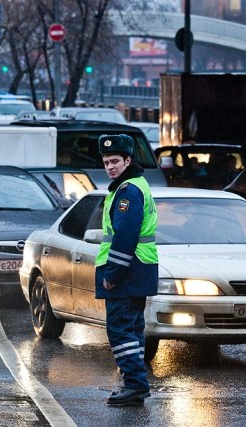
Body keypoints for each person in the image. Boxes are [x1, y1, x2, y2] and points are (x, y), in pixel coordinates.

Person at [95, 134, 159, 406]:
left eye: (115, 161)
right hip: (138, 270)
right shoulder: (134, 185)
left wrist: (112, 274)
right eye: (106, 162)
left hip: (128, 272)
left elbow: (124, 236)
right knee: (133, 330)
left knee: (121, 330)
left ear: (128, 160)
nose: (110, 167)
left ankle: (134, 384)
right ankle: (133, 382)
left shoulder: (128, 191)